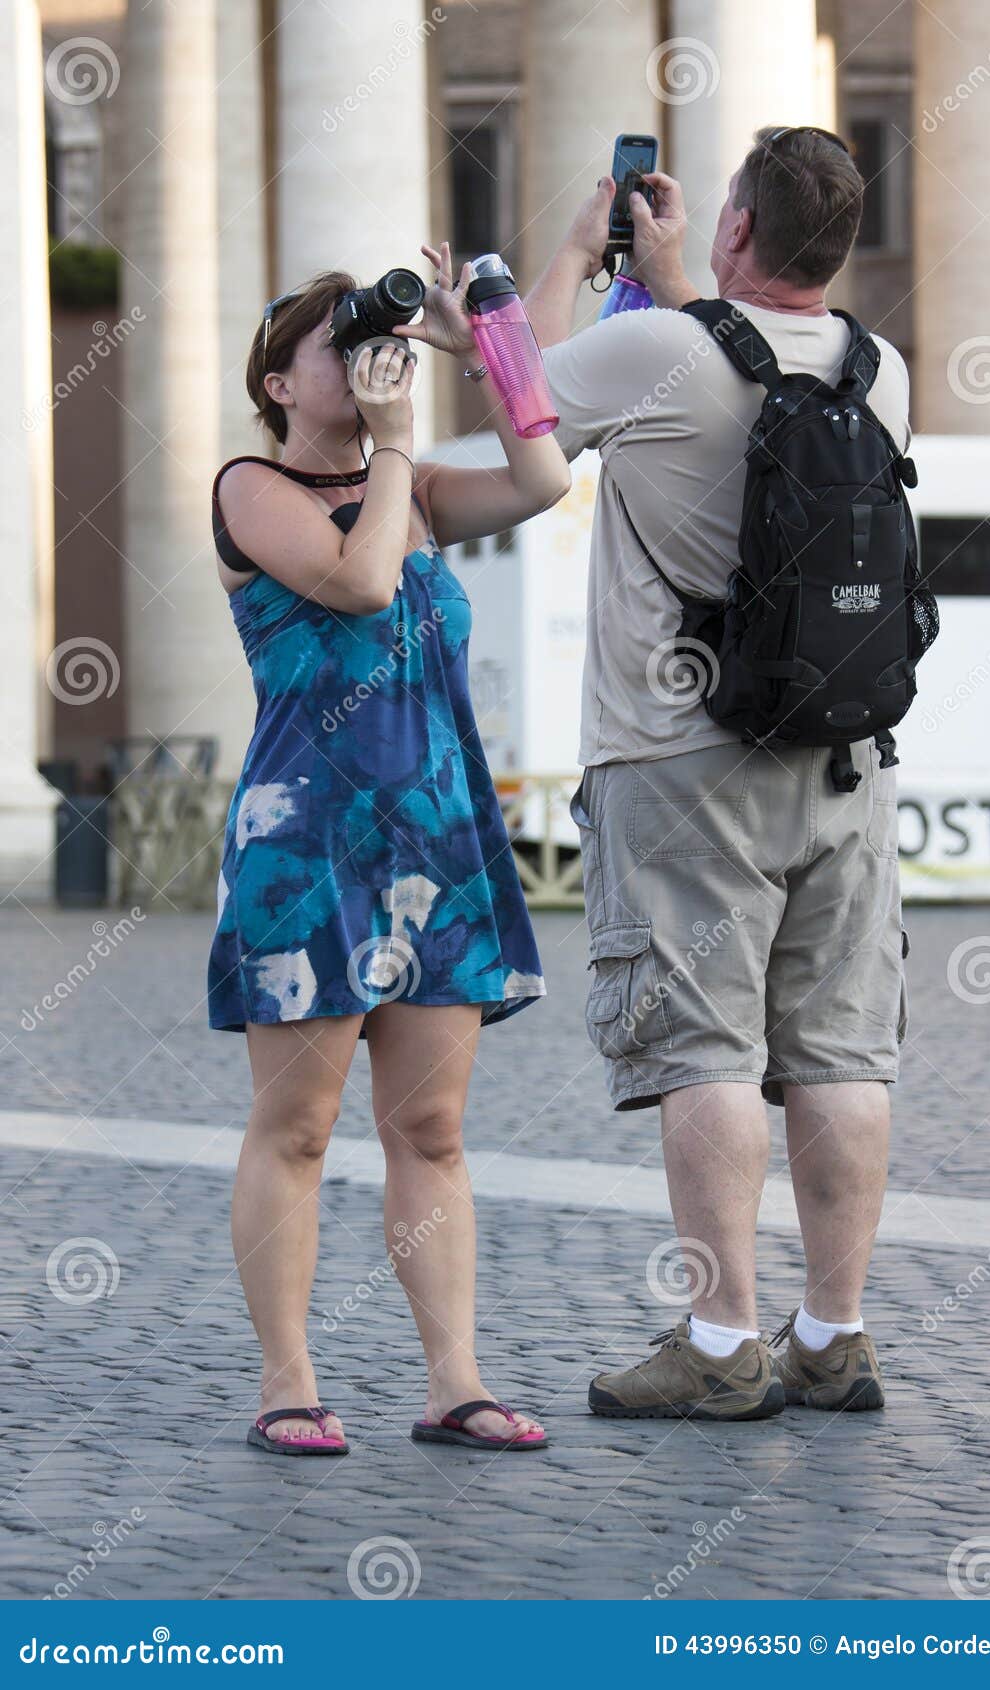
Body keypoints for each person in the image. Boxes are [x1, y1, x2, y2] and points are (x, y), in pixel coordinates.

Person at [525, 128, 911, 1420]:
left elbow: (515, 396)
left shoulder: (651, 353)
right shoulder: (877, 369)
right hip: (845, 758)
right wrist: (686, 272)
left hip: (681, 754)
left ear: (736, 227)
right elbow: (737, 358)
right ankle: (832, 1334)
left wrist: (581, 253)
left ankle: (718, 1338)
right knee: (838, 1051)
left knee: (704, 1051)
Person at [208, 243, 569, 1455]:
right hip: (306, 840)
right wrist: (399, 439)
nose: (365, 355)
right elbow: (362, 586)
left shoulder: (409, 481)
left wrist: (490, 349)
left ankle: (452, 1379)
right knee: (298, 1126)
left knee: (432, 1130)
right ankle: (286, 1379)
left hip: (435, 834)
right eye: (337, 341)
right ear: (277, 383)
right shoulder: (250, 488)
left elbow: (543, 477)